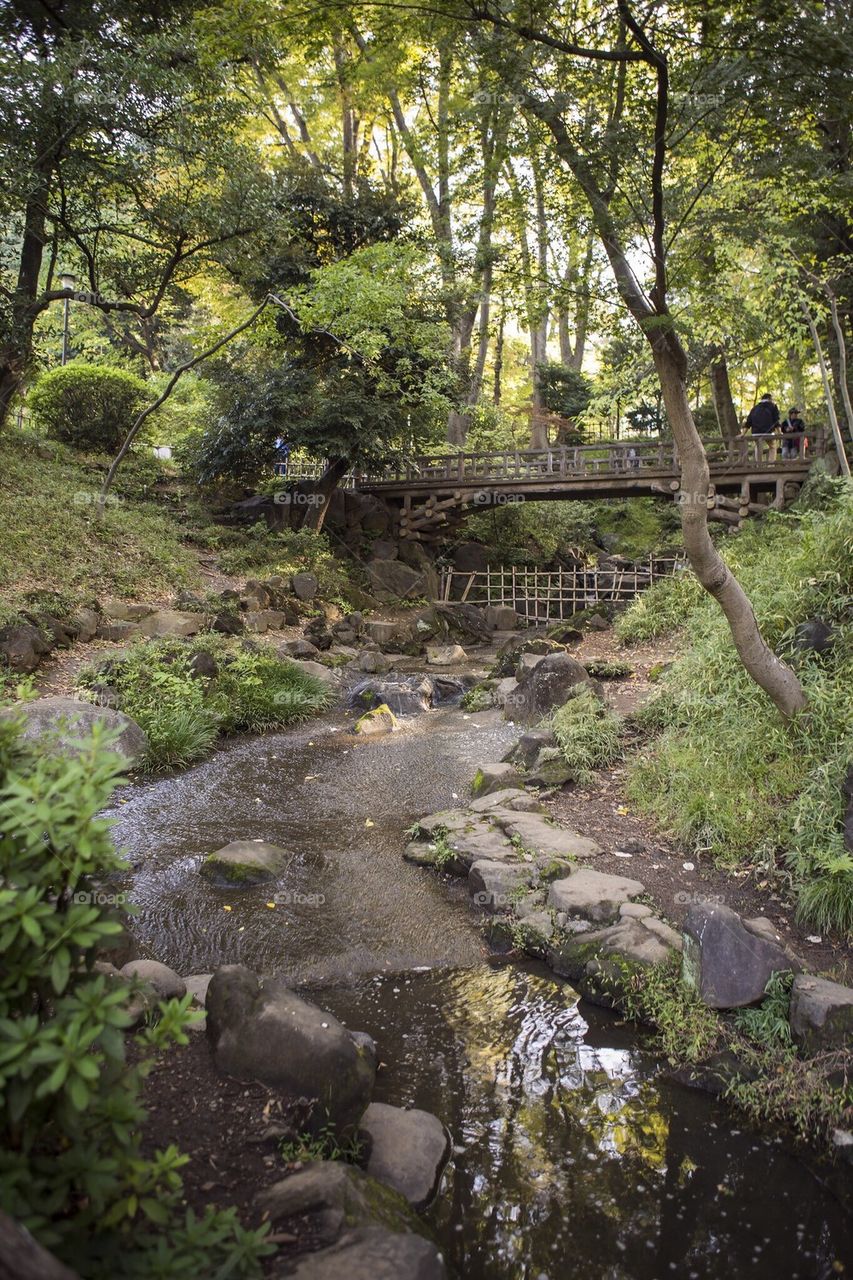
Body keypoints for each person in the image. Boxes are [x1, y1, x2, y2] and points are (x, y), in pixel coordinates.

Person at [745, 392, 780, 462]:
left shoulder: (755, 408)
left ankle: (759, 465)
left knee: (758, 447)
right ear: (769, 399)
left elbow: (748, 422)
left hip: (756, 433)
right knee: (772, 446)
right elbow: (776, 420)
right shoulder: (773, 406)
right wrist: (779, 432)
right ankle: (771, 464)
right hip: (768, 432)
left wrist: (743, 433)